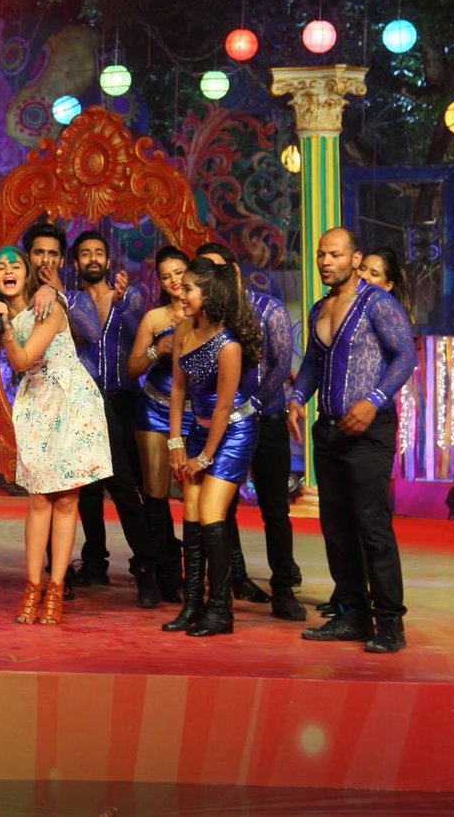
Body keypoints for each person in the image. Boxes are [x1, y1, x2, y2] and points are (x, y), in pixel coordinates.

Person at [288, 228, 418, 655]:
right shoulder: (319, 308)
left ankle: (390, 622)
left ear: (355, 259)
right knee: (336, 527)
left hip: (369, 431)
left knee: (371, 526)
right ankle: (352, 614)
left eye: (335, 254)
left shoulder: (377, 303)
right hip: (328, 430)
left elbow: (406, 355)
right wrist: (296, 398)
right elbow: (313, 361)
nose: (326, 261)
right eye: (321, 254)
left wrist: (374, 400)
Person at [0, 247, 110, 626]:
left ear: (27, 273)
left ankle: (56, 588)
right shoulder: (0, 315)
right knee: (39, 498)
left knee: (67, 499)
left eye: (15, 265)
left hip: (70, 403)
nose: (8, 271)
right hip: (36, 405)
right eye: (0, 267)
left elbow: (22, 359)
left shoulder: (49, 306)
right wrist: (1, 321)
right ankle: (33, 586)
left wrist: (11, 321)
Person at [196, 242, 305, 622]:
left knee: (275, 509)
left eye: (219, 270)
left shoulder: (269, 309)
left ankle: (284, 589)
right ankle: (228, 585)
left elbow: (280, 366)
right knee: (220, 509)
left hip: (266, 418)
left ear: (235, 271)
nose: (213, 279)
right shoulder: (206, 320)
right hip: (222, 426)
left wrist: (251, 405)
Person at [162, 257, 264, 637]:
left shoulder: (229, 345)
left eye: (188, 288)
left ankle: (221, 612)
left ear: (208, 295)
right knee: (190, 511)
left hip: (234, 432)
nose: (180, 293)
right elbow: (178, 390)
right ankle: (193, 604)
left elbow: (223, 408)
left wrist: (204, 458)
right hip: (198, 430)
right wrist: (176, 443)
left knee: (209, 512)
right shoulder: (183, 330)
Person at [58, 231, 159, 607]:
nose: (93, 259)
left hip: (123, 401)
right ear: (76, 262)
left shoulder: (130, 298)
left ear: (108, 260)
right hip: (85, 402)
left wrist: (124, 306)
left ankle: (146, 568)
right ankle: (94, 562)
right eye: (85, 253)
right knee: (87, 488)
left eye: (98, 252)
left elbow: (142, 340)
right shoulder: (69, 299)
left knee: (125, 487)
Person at [124, 246, 190, 603]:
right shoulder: (154, 318)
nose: (174, 281)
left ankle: (194, 574)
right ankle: (160, 573)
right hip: (153, 409)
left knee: (196, 497)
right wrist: (156, 350)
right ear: (160, 282)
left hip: (195, 411)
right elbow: (132, 368)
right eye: (166, 276)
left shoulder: (206, 312)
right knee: (155, 494)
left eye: (179, 272)